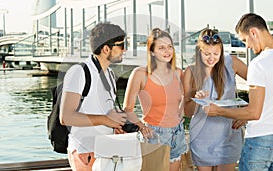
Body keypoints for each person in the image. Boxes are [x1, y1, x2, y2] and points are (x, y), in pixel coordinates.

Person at [204, 13, 273, 171]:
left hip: (260, 141)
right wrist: (243, 113)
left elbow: (254, 113)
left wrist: (218, 111)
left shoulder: (259, 64)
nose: (247, 46)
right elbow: (272, 99)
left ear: (253, 32)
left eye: (244, 40)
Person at [59, 22, 128, 171]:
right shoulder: (79, 72)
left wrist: (114, 125)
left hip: (105, 151)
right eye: (121, 45)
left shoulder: (109, 74)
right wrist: (107, 120)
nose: (125, 49)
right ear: (106, 49)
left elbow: (102, 112)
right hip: (85, 152)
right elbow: (66, 117)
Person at [123, 28, 188, 171]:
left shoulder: (178, 73)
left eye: (170, 46)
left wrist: (180, 115)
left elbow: (186, 98)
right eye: (161, 47)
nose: (167, 51)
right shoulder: (140, 74)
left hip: (177, 132)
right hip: (154, 134)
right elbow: (128, 109)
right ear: (151, 51)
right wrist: (142, 126)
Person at [183, 28, 247, 171]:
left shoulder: (233, 63)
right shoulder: (190, 72)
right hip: (202, 138)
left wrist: (247, 113)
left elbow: (260, 85)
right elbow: (187, 112)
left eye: (216, 54)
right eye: (207, 54)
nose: (211, 58)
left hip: (229, 136)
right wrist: (196, 100)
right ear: (199, 51)